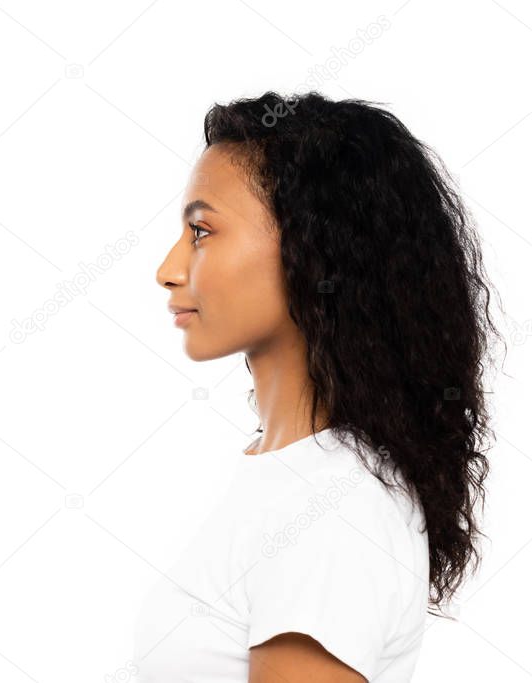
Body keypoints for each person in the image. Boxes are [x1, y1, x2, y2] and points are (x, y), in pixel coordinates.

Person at [136, 91, 502, 681]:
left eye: (201, 231)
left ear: (312, 248)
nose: (169, 269)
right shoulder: (291, 477)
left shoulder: (332, 510)